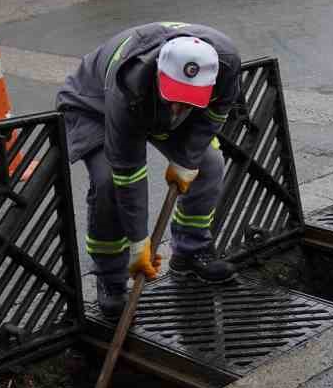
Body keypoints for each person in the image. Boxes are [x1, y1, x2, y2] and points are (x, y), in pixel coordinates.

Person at [56, 22, 243, 318]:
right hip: (93, 103)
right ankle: (112, 280)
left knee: (208, 163)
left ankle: (190, 251)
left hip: (154, 109)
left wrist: (187, 159)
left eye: (188, 101)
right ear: (159, 72)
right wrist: (139, 242)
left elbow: (213, 115)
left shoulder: (226, 63)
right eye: (176, 97)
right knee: (107, 185)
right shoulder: (130, 83)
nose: (180, 108)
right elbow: (128, 173)